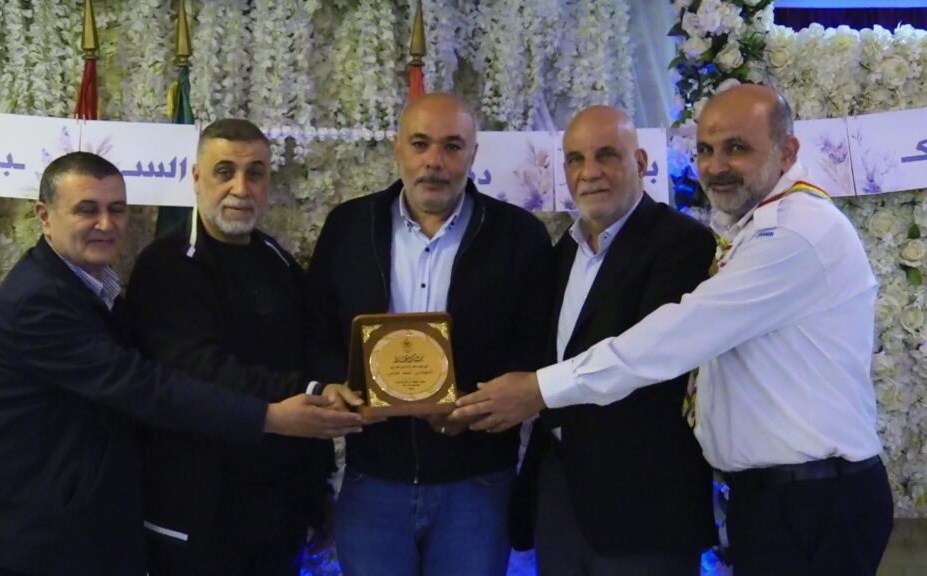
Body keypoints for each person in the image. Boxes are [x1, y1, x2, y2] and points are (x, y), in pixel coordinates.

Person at [453, 84, 893, 576]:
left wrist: (538, 389)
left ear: (787, 151)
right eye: (705, 149)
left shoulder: (791, 234)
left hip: (811, 499)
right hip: (772, 498)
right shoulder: (751, 229)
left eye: (737, 148)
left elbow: (668, 342)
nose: (716, 165)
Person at [0, 152, 362, 576]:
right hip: (21, 542)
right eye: (87, 210)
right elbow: (143, 387)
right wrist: (271, 417)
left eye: (117, 209)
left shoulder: (91, 286)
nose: (106, 224)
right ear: (44, 216)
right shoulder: (41, 300)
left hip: (64, 530)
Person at [305, 93, 554, 576]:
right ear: (397, 147)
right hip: (373, 480)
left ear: (474, 154)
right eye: (420, 144)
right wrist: (336, 386)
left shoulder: (519, 235)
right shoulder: (348, 227)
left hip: (477, 485)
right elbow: (316, 330)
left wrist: (475, 411)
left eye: (452, 146)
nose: (434, 161)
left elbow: (534, 348)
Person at [513, 106, 715, 575]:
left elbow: (647, 369)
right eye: (576, 159)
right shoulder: (564, 250)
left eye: (606, 155)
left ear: (641, 162)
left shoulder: (682, 243)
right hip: (560, 492)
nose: (590, 173)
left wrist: (530, 393)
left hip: (643, 506)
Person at [126, 119, 334, 576]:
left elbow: (306, 355)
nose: (241, 188)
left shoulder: (277, 260)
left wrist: (317, 492)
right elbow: (200, 369)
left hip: (277, 513)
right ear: (196, 177)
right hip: (195, 511)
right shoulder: (165, 266)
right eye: (225, 172)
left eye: (255, 173)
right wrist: (310, 390)